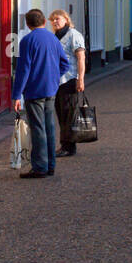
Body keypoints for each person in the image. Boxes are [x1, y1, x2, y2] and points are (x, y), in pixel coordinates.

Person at [11, 8, 69, 178]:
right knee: (50, 127)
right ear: (44, 21)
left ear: (28, 24)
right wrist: (53, 77)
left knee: (38, 129)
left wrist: (16, 95)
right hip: (51, 89)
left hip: (34, 91)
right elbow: (65, 64)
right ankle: (50, 165)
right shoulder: (53, 38)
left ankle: (40, 167)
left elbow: (23, 71)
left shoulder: (27, 41)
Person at [48, 9, 86, 157]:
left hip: (70, 79)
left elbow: (81, 57)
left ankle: (68, 147)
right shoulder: (55, 37)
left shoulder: (73, 35)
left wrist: (80, 79)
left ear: (66, 19)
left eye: (57, 18)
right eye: (52, 20)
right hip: (57, 81)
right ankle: (66, 144)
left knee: (69, 113)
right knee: (61, 113)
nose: (55, 22)